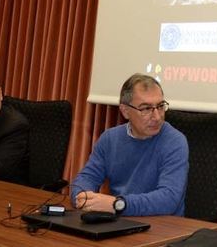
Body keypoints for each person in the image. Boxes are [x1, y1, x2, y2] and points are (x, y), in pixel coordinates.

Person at [71, 73, 189, 216]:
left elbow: (168, 200)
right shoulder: (110, 139)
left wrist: (117, 204)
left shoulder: (174, 141)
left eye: (160, 106)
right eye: (146, 109)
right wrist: (83, 197)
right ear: (125, 111)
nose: (157, 116)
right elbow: (86, 178)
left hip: (163, 227)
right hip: (120, 222)